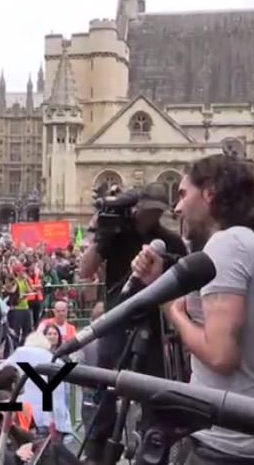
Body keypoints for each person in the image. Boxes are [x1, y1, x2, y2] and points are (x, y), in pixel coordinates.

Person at [131, 154, 254, 464]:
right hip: (233, 437)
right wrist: (160, 284)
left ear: (210, 193)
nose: (176, 207)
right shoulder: (243, 243)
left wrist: (171, 309)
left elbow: (220, 355)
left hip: (227, 445)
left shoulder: (227, 245)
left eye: (183, 194)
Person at [78, 182, 187, 464]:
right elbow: (85, 270)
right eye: (147, 211)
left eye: (156, 212)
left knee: (154, 400)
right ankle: (97, 452)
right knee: (103, 394)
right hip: (117, 324)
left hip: (154, 330)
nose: (150, 218)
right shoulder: (116, 234)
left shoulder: (170, 242)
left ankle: (153, 451)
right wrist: (99, 235)